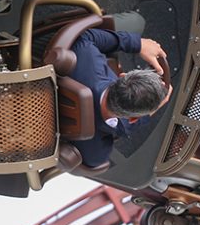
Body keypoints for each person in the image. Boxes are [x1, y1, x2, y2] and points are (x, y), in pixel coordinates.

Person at [68, 26, 172, 168]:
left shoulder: (88, 61)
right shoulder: (95, 153)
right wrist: (148, 114)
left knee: (136, 21)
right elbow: (93, 162)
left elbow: (83, 36)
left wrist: (137, 44)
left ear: (121, 75)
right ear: (134, 118)